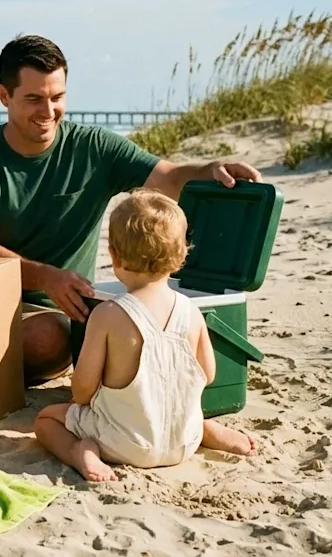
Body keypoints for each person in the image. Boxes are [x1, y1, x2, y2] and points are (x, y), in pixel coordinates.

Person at [0, 34, 263, 385]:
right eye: (33, 99)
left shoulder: (94, 146)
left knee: (51, 336)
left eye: (58, 97)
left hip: (66, 312)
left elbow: (168, 178)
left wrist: (207, 170)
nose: (48, 112)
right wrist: (48, 276)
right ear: (4, 95)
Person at [33, 189, 256, 481]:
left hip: (123, 445)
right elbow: (208, 375)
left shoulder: (107, 315)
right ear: (181, 256)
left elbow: (82, 390)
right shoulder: (192, 312)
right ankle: (204, 431)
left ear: (114, 255)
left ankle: (79, 452)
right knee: (180, 407)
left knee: (46, 419)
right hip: (182, 443)